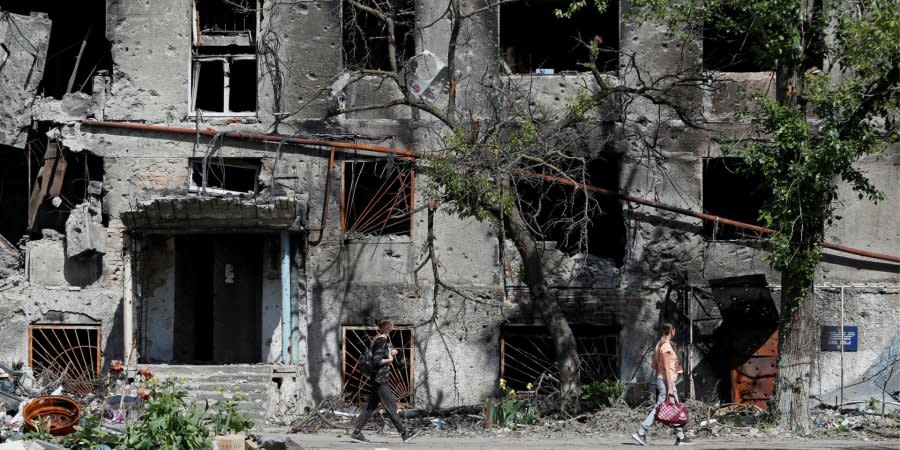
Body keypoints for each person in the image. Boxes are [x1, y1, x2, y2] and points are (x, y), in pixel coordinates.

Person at [350, 318, 419, 443]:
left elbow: (380, 354)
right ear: (389, 327)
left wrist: (390, 352)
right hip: (380, 379)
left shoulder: (380, 339)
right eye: (392, 324)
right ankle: (404, 433)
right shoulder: (381, 340)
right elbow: (377, 361)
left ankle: (356, 433)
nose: (394, 326)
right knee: (391, 406)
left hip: (378, 378)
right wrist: (390, 359)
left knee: (370, 407)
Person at [631, 323, 694, 446]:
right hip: (666, 381)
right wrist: (670, 386)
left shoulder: (659, 345)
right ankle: (641, 432)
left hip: (662, 380)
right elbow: (665, 368)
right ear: (672, 331)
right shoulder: (666, 347)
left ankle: (680, 437)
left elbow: (654, 365)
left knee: (672, 407)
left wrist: (670, 368)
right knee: (661, 408)